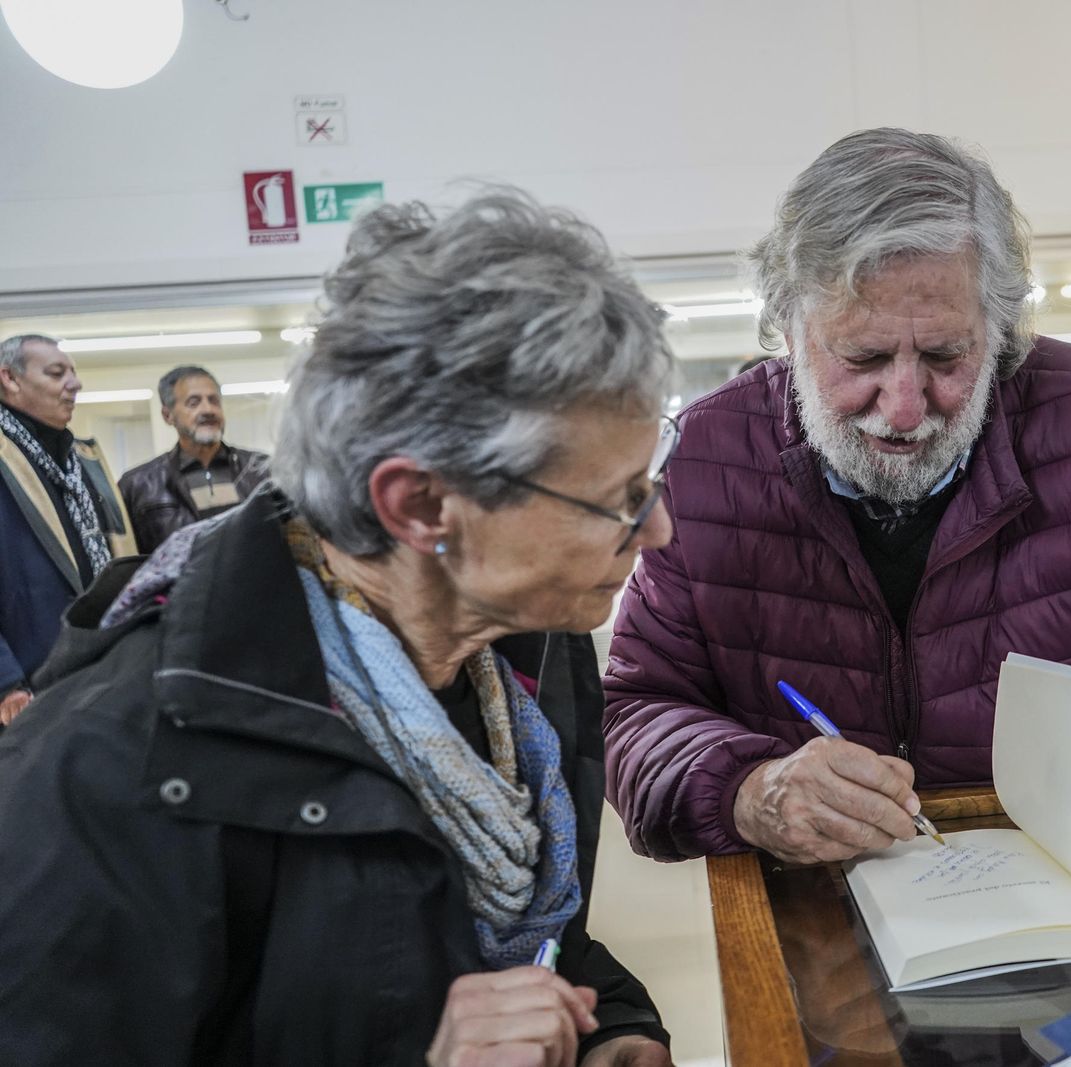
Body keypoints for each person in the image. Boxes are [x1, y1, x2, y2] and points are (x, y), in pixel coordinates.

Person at [604, 128, 1071, 970]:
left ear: (1000, 330)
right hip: (825, 966)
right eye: (864, 356)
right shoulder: (709, 458)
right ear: (789, 327)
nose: (905, 405)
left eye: (946, 355)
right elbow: (639, 709)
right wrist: (751, 791)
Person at [0, 190, 677, 1067]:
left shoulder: (515, 660)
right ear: (420, 505)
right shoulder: (108, 765)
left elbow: (510, 927)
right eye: (620, 500)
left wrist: (612, 1023)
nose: (659, 530)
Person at [0, 333, 135, 727]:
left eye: (73, 373)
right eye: (57, 373)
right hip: (26, 685)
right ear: (9, 379)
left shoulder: (82, 460)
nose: (75, 384)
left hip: (102, 669)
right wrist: (5, 682)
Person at [117, 364, 269, 553]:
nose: (208, 410)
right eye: (193, 403)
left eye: (214, 401)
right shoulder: (137, 485)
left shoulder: (262, 470)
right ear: (168, 415)